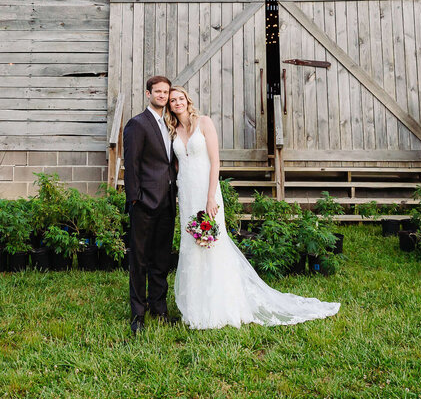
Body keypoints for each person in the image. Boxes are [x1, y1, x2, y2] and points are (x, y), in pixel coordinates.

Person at [167, 86, 340, 330]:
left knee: (214, 244)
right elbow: (178, 164)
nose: (177, 103)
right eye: (173, 100)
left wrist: (210, 197)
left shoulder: (204, 123)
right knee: (192, 246)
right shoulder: (173, 130)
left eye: (180, 98)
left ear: (188, 100)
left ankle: (221, 304)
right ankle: (196, 306)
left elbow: (215, 161)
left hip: (207, 192)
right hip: (186, 193)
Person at [122, 75, 177, 335]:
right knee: (140, 261)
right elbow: (131, 166)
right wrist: (135, 200)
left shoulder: (169, 123)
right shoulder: (137, 124)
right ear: (148, 94)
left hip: (167, 202)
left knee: (161, 260)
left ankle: (159, 308)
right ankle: (138, 314)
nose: (162, 96)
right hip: (144, 203)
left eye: (166, 92)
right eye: (158, 92)